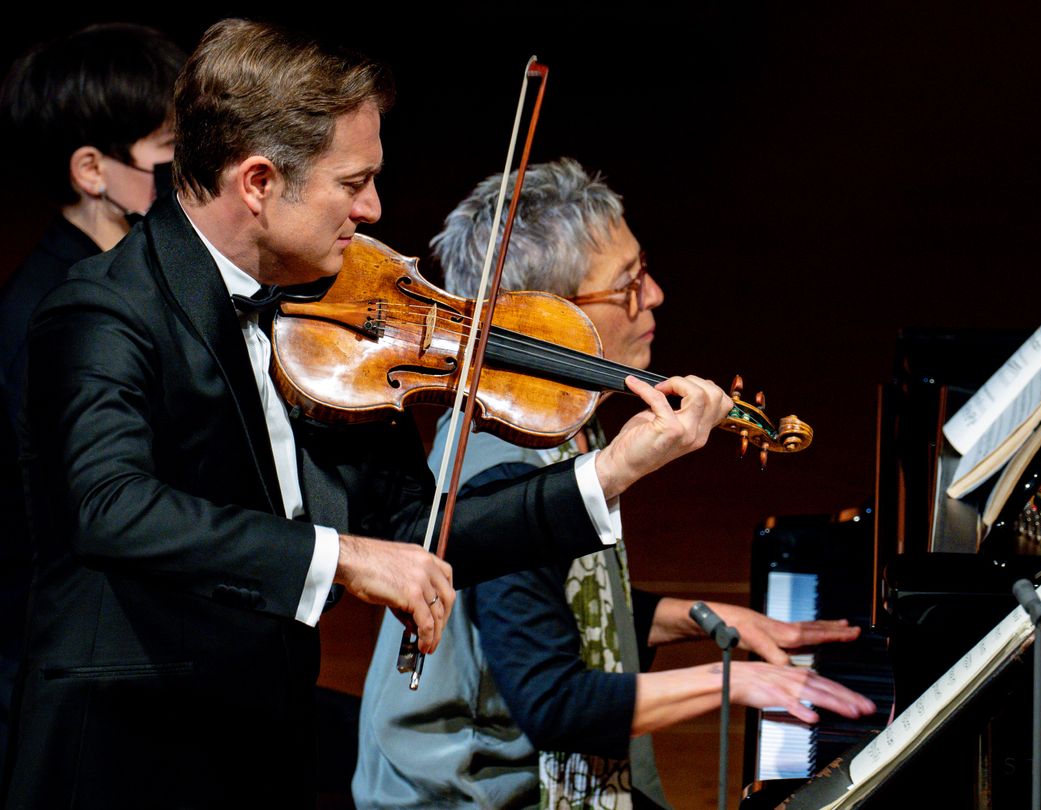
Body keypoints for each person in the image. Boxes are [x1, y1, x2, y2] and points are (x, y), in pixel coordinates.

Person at [2, 21, 730, 808]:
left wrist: (609, 471)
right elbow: (111, 507)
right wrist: (343, 556)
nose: (374, 209)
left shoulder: (333, 315)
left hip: (260, 741)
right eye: (354, 183)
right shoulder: (103, 310)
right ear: (258, 183)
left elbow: (421, 532)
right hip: (127, 759)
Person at [353, 159, 874, 809]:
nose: (654, 294)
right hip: (467, 795)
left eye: (643, 269)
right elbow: (553, 703)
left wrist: (698, 619)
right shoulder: (505, 468)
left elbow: (554, 607)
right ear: (550, 320)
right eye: (628, 284)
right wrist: (737, 683)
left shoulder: (561, 418)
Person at [0, 22, 186, 773]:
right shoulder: (56, 314)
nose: (191, 174)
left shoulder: (126, 281)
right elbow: (83, 521)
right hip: (73, 691)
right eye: (171, 155)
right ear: (92, 170)